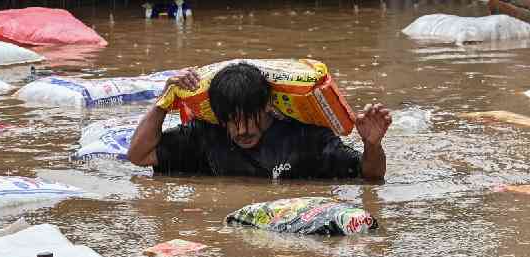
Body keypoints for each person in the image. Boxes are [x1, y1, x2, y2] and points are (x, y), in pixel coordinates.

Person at [127, 62, 392, 181]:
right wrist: (164, 102)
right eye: (232, 121)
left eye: (249, 119)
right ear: (219, 118)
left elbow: (370, 176)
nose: (242, 130)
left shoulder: (307, 138)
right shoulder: (204, 135)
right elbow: (139, 155)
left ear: (267, 106)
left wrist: (372, 145)